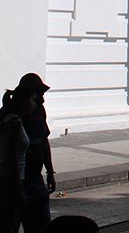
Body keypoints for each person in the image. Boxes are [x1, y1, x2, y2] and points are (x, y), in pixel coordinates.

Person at [18, 73, 55, 233]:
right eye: (37, 96)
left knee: (42, 225)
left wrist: (50, 171)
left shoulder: (39, 111)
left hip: (35, 177)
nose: (42, 100)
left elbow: (43, 141)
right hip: (18, 181)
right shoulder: (12, 118)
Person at [0, 84, 39, 233]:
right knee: (9, 224)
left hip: (10, 180)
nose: (35, 105)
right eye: (33, 100)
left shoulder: (12, 120)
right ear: (24, 101)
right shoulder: (14, 123)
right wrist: (19, 190)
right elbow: (11, 160)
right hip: (9, 181)